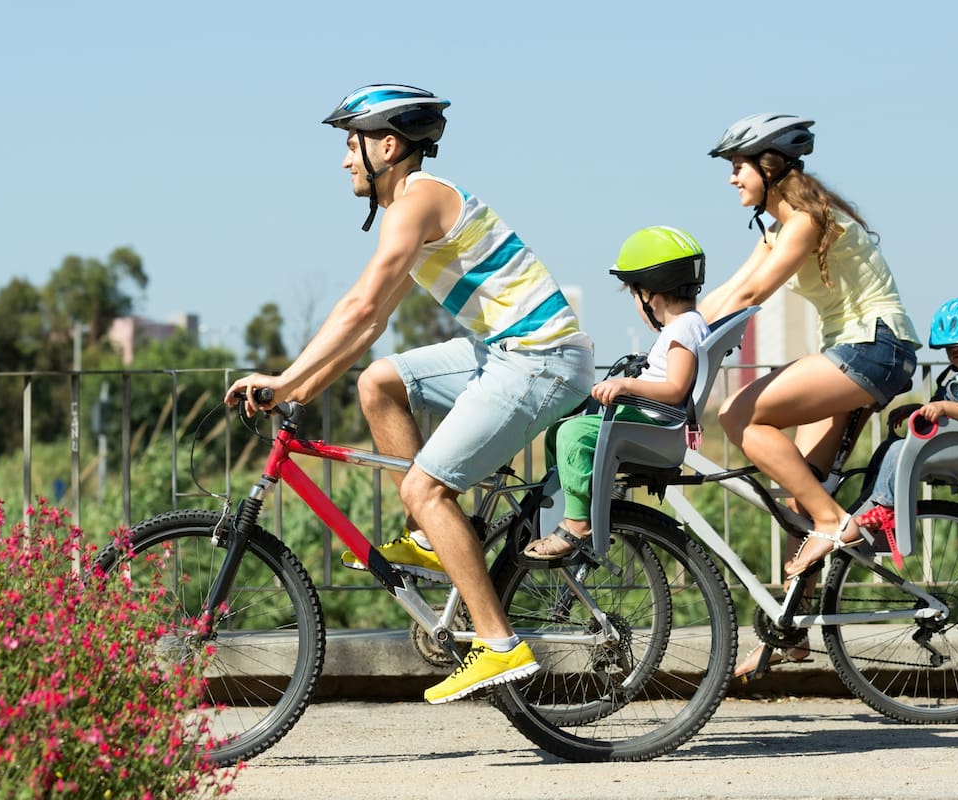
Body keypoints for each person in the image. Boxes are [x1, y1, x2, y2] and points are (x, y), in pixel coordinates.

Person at [225, 84, 595, 704]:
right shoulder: (413, 207)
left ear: (388, 146)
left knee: (426, 486)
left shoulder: (417, 202)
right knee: (380, 381)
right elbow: (372, 326)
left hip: (539, 359)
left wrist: (286, 378)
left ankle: (500, 645)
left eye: (352, 144)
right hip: (510, 350)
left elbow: (360, 303)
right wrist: (300, 393)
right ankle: (430, 537)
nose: (345, 159)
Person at [694, 113, 921, 680]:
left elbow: (751, 294)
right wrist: (675, 332)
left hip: (873, 348)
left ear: (769, 167)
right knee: (801, 498)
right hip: (858, 352)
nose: (731, 179)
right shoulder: (778, 227)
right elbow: (727, 288)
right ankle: (792, 633)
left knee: (740, 414)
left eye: (738, 167)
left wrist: (683, 343)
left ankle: (837, 524)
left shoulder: (805, 220)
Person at [523, 226, 710, 559]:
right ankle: (570, 510)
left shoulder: (683, 328)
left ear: (650, 292)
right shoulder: (688, 325)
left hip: (654, 426)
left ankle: (577, 524)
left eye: (634, 293)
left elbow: (676, 388)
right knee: (557, 435)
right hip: (649, 421)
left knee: (572, 434)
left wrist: (625, 384)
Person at [854, 296, 958, 557]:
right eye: (949, 348)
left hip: (954, 444)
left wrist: (944, 408)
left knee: (898, 449)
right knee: (886, 450)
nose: (954, 352)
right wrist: (916, 409)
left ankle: (885, 506)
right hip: (944, 439)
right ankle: (870, 504)